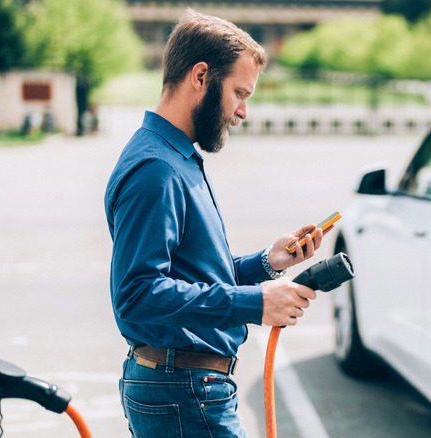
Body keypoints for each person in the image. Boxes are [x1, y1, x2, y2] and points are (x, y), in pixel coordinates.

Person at [104, 9, 324, 437]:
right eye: (239, 93)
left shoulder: (175, 157)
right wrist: (256, 304)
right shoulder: (157, 169)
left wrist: (267, 263)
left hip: (184, 386)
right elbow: (137, 293)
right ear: (201, 76)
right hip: (183, 390)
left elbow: (189, 275)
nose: (243, 111)